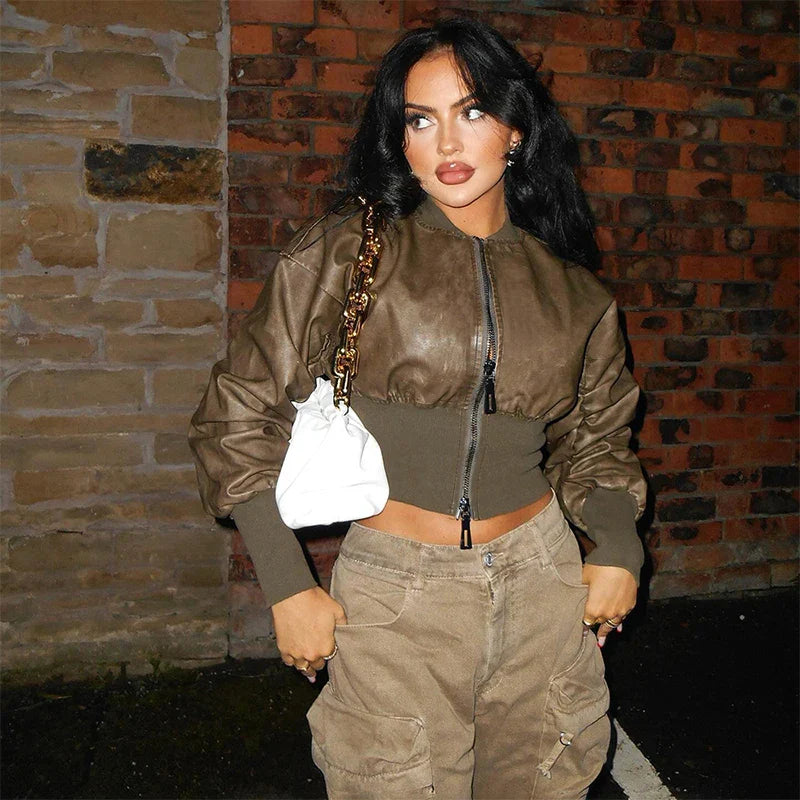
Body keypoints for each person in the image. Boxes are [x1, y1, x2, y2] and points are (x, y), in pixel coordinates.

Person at [190, 17, 647, 800]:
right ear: (399, 138)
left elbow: (596, 443)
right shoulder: (345, 254)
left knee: (546, 782)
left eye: (472, 111)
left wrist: (618, 543)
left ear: (515, 130)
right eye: (421, 119)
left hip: (542, 583)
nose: (448, 142)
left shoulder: (574, 290)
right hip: (397, 589)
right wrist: (288, 581)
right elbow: (236, 416)